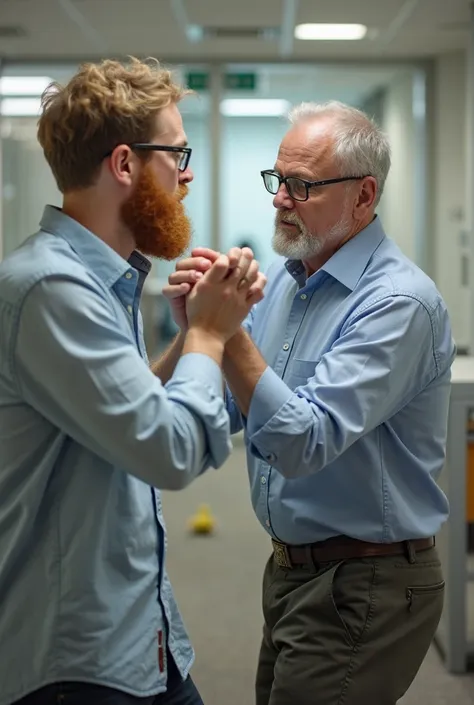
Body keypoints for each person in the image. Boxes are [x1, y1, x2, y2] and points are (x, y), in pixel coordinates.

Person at [164, 100, 456, 705]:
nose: (280, 199)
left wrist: (229, 333)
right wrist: (195, 332)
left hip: (365, 580)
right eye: (278, 180)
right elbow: (227, 414)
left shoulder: (398, 304)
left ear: (363, 196)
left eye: (302, 185)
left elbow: (304, 442)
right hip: (294, 572)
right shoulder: (288, 280)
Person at [0, 57, 266, 705]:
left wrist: (183, 339)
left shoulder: (90, 279)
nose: (188, 172)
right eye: (177, 153)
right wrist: (208, 333)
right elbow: (167, 449)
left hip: (135, 635)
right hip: (75, 663)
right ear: (124, 164)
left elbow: (112, 415)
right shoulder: (51, 288)